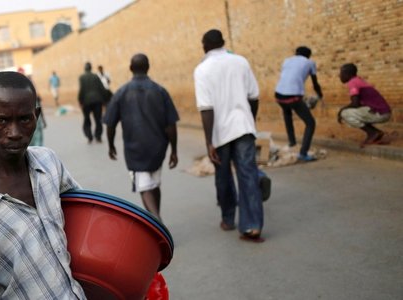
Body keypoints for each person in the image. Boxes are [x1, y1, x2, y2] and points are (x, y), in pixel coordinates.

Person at [0, 71, 86, 299]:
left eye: (24, 119)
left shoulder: (49, 164)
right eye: (1, 121)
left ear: (36, 116)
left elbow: (84, 218)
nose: (14, 133)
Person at [194, 29, 265, 242]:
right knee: (248, 174)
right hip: (243, 127)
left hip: (219, 132)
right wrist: (249, 120)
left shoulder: (202, 70)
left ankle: (228, 219)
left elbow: (206, 108)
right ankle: (252, 226)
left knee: (223, 175)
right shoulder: (240, 62)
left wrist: (209, 142)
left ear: (205, 46)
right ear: (224, 43)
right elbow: (254, 96)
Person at [104, 53, 179, 221]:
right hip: (158, 147)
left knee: (145, 187)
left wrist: (111, 145)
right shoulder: (160, 91)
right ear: (148, 67)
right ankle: (156, 220)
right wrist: (174, 150)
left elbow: (110, 123)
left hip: (135, 149)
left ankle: (156, 220)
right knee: (154, 183)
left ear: (131, 68)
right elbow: (171, 125)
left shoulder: (121, 93)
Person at [274, 46, 323, 162]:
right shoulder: (310, 62)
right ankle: (303, 153)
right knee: (310, 123)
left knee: (287, 113)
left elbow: (288, 77)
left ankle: (292, 141)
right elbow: (315, 83)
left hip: (278, 95)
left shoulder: (287, 60)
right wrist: (320, 94)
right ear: (308, 55)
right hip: (293, 96)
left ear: (296, 53)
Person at [338, 63, 391, 146]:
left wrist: (341, 110)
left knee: (345, 113)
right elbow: (359, 103)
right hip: (383, 112)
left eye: (341, 73)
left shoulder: (353, 82)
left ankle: (372, 133)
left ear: (347, 74)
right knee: (353, 112)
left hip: (380, 113)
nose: (339, 75)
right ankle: (375, 133)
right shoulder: (358, 80)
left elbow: (355, 104)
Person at [78, 62, 107, 143]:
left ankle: (89, 136)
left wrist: (80, 101)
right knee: (98, 119)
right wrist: (104, 100)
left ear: (85, 68)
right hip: (97, 100)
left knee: (87, 119)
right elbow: (102, 88)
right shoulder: (96, 76)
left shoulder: (82, 77)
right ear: (91, 68)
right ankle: (98, 136)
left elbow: (81, 90)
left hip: (86, 102)